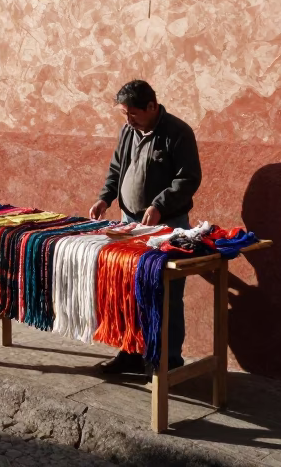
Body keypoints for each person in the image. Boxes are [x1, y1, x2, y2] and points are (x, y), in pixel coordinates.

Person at [88, 79, 202, 377]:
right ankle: (129, 353)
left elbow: (188, 179)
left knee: (165, 293)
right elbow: (116, 169)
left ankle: (168, 361)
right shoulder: (128, 132)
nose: (128, 119)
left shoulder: (178, 133)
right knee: (128, 289)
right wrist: (105, 198)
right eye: (125, 114)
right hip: (129, 224)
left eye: (133, 113)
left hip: (166, 226)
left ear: (152, 106)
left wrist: (160, 205)